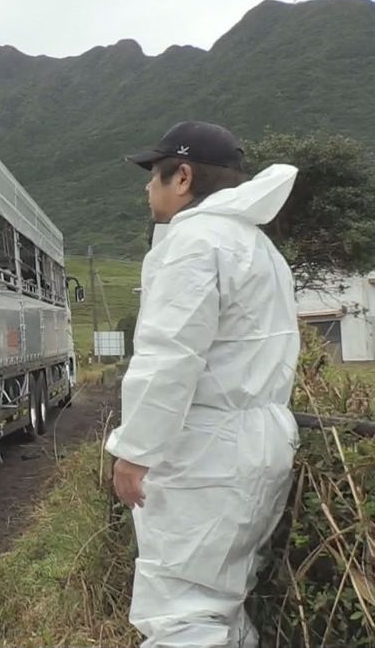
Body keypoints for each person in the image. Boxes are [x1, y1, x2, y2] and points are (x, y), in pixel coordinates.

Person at [107, 121, 300, 647]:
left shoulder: (194, 242)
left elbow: (170, 355)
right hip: (262, 441)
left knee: (182, 612)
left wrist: (135, 451)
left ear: (183, 175)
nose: (147, 188)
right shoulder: (258, 247)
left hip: (206, 453)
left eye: (154, 175)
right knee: (224, 601)